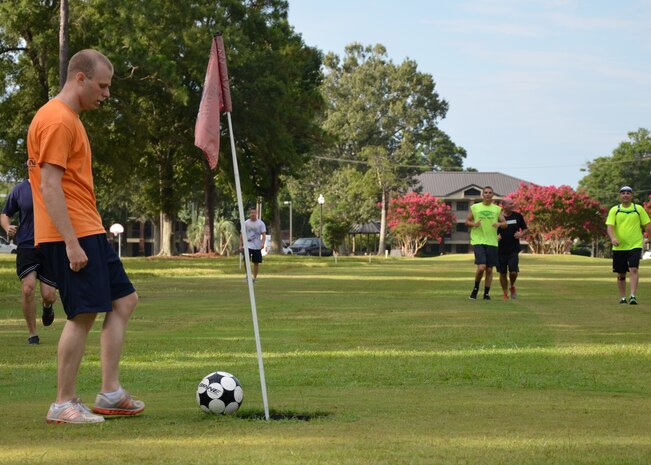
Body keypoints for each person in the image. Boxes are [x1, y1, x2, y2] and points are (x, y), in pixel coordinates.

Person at [27, 49, 143, 424]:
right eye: (103, 85)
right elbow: (49, 185)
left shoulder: (68, 119)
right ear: (80, 77)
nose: (106, 94)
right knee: (83, 314)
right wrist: (72, 243)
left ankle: (110, 393)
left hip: (88, 228)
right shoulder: (58, 120)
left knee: (124, 300)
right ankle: (63, 402)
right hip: (71, 233)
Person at [1, 179, 57, 344]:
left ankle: (47, 307)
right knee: (28, 288)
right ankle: (32, 334)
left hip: (50, 245)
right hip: (26, 245)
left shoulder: (55, 184)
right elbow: (5, 213)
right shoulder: (20, 189)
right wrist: (7, 228)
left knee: (49, 295)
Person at [605, 185, 651, 305]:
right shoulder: (615, 210)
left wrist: (649, 239)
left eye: (628, 193)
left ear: (632, 195)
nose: (625, 195)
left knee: (633, 269)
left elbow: (648, 225)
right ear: (620, 196)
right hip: (619, 246)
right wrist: (613, 238)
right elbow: (610, 227)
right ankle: (622, 297)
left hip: (635, 245)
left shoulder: (638, 209)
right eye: (623, 193)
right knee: (621, 273)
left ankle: (633, 295)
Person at [465, 186, 506, 300]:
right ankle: (475, 288)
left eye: (490, 193)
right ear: (482, 195)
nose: (487, 194)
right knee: (481, 267)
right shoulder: (475, 207)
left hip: (492, 242)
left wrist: (499, 224)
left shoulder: (497, 209)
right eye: (485, 192)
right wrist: (474, 224)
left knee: (489, 269)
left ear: (492, 195)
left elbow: (505, 224)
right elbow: (467, 221)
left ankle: (486, 293)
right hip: (478, 240)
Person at [497, 197, 528, 300]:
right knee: (502, 273)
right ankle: (505, 293)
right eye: (510, 204)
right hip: (500, 250)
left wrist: (521, 234)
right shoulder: (497, 217)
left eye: (513, 203)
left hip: (513, 249)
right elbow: (489, 229)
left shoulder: (518, 216)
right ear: (504, 205)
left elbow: (525, 229)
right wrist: (495, 237)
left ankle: (512, 286)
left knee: (513, 272)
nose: (513, 205)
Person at [239, 207, 267, 282]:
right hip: (247, 245)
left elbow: (264, 234)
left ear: (256, 213)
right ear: (250, 214)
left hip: (257, 246)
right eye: (252, 213)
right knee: (246, 260)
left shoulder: (260, 223)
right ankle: (248, 275)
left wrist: (263, 244)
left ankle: (254, 278)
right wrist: (240, 245)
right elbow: (242, 234)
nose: (253, 214)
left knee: (256, 262)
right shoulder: (246, 223)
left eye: (254, 213)